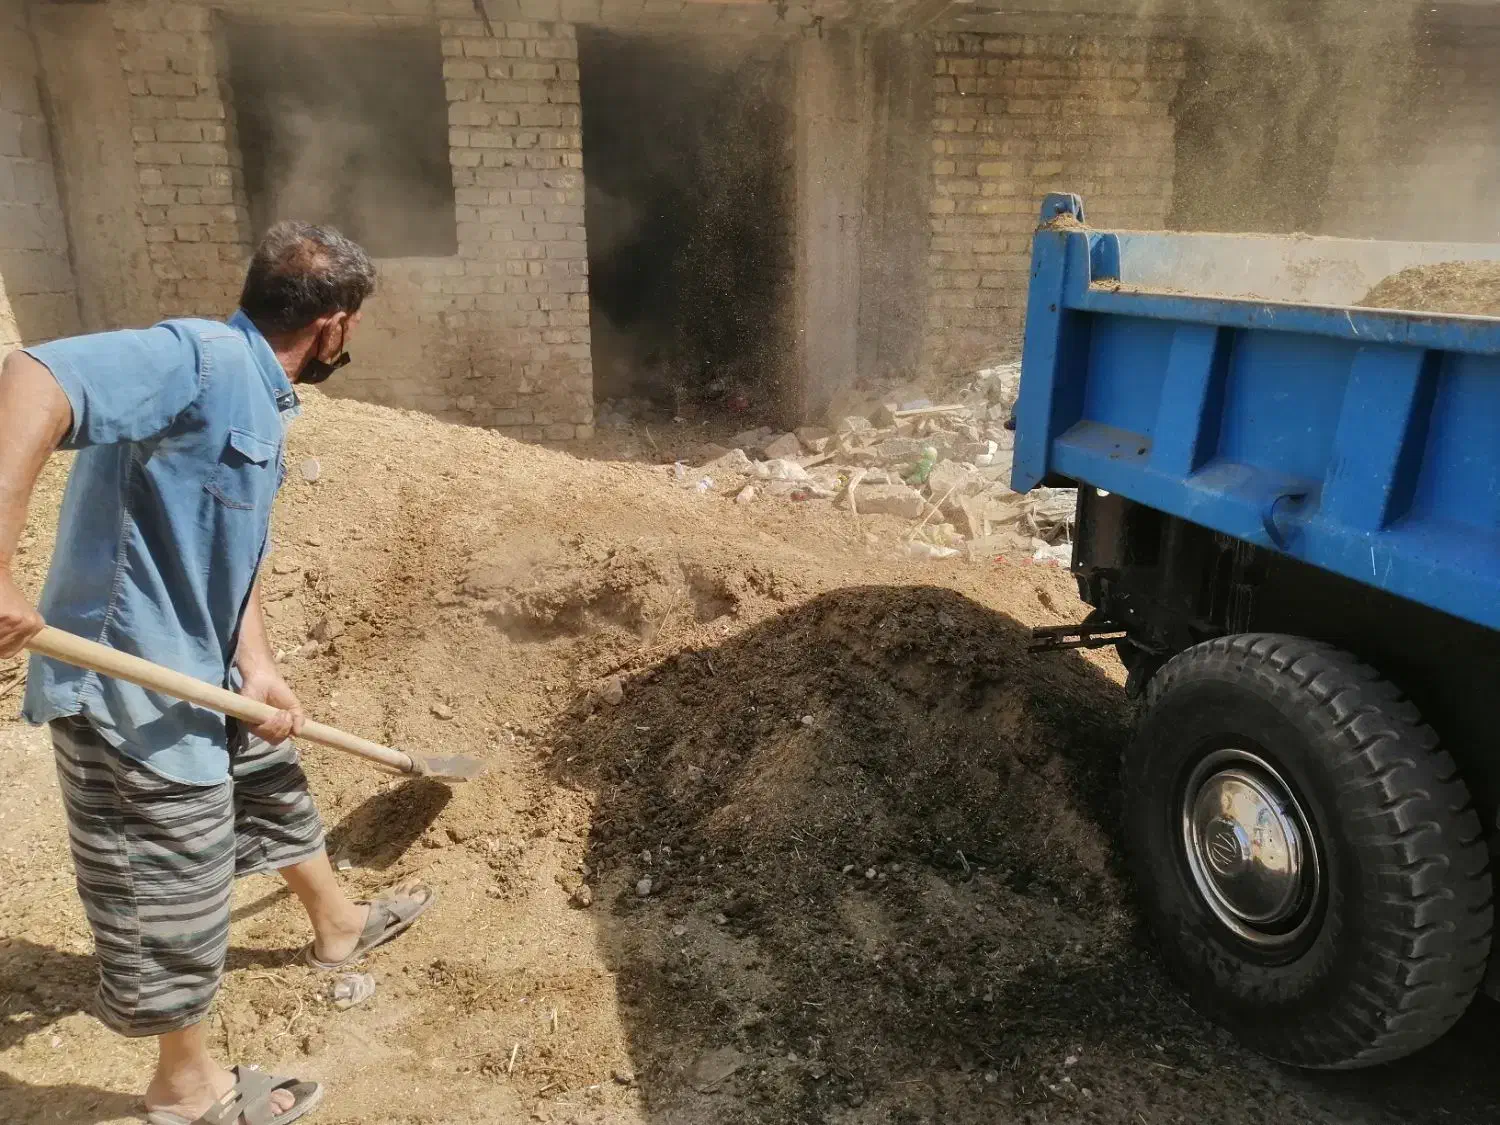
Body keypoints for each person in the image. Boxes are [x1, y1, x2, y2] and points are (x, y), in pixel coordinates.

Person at [0, 221, 434, 1125]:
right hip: (132, 686)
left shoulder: (260, 398)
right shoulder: (197, 358)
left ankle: (338, 925)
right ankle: (185, 1089)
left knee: (273, 781)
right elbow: (36, 374)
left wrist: (258, 664)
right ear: (335, 327)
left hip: (207, 669)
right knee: (174, 879)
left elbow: (226, 548)